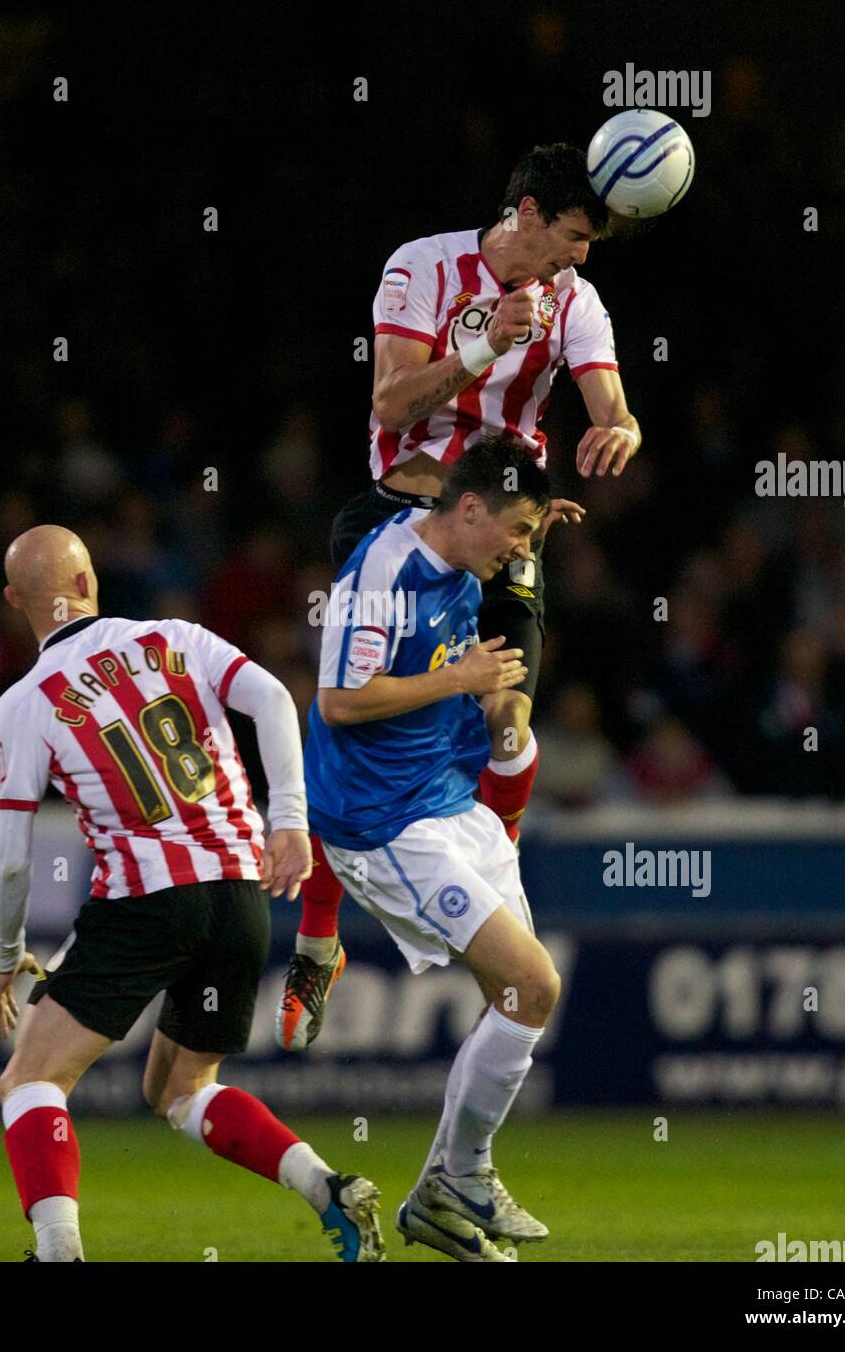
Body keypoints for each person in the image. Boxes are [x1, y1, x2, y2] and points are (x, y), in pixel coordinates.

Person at [277, 143, 641, 1050]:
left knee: (507, 712)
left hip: (502, 533)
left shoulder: (576, 302)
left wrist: (620, 429)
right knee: (354, 720)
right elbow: (393, 406)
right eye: (572, 235)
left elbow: (607, 401)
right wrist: (486, 343)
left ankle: (491, 882)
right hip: (398, 517)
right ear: (524, 213)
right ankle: (319, 938)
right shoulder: (422, 267)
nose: (581, 256)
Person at [0, 524, 384, 1261]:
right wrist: (287, 819)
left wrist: (8, 954)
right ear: (87, 581)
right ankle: (330, 1188)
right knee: (178, 1088)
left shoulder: (24, 701)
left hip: (148, 900)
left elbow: (9, 859)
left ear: (15, 600)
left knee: (32, 1077)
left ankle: (57, 1252)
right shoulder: (176, 637)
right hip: (239, 894)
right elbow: (270, 699)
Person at [302, 440, 563, 1261]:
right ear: (471, 508)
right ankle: (463, 1176)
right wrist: (460, 681)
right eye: (515, 531)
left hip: (453, 799)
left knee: (512, 1002)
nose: (520, 551)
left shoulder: (462, 558)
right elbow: (340, 701)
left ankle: (438, 1197)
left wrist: (493, 709)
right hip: (387, 824)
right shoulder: (381, 573)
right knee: (533, 983)